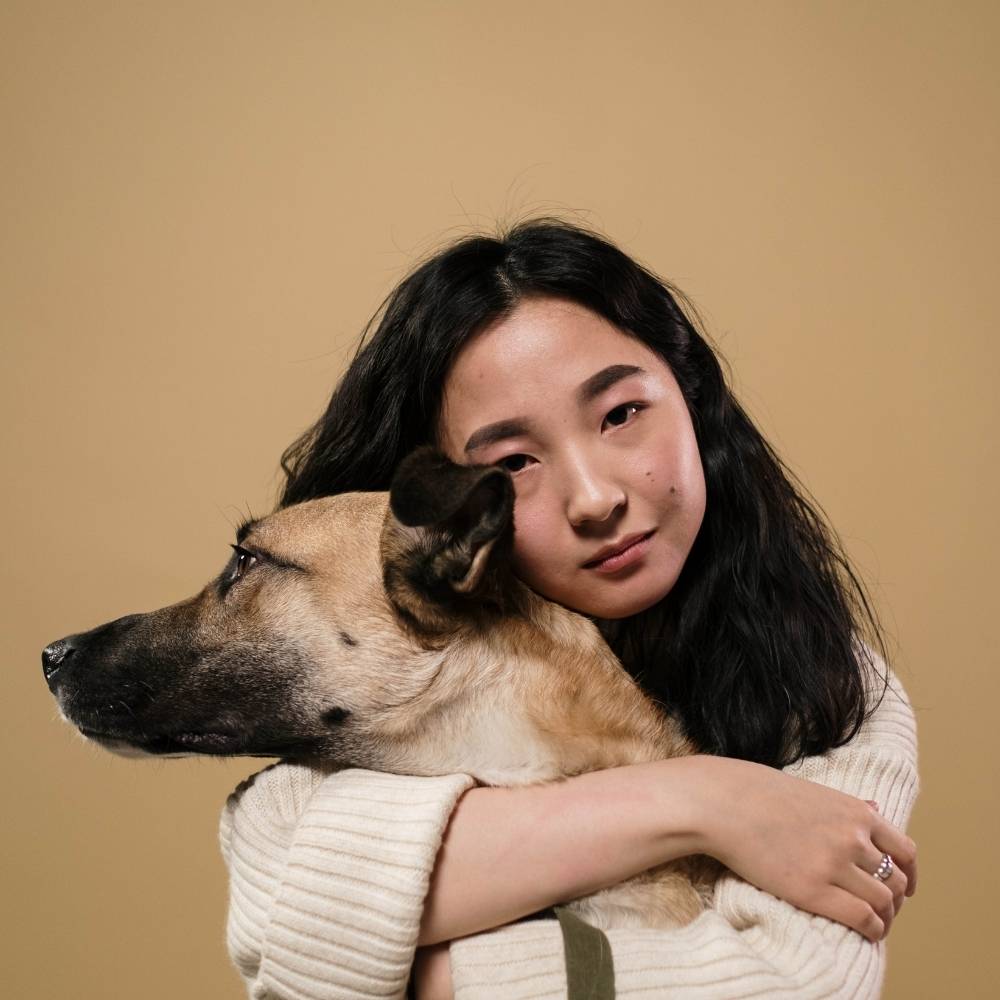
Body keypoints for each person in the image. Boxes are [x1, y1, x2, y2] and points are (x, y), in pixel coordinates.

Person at [218, 218, 919, 1000]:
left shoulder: (829, 683)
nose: (594, 498)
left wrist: (437, 981)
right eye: (513, 462)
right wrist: (711, 801)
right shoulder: (378, 676)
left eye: (620, 414)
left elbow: (797, 986)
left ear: (690, 395)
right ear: (447, 512)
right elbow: (286, 907)